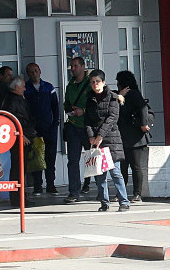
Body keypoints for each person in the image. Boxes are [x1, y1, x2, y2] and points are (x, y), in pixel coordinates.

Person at [83, 69, 130, 212]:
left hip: (111, 140)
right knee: (99, 173)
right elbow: (87, 120)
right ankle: (104, 202)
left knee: (115, 172)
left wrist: (100, 135)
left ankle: (124, 201)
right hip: (96, 141)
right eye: (92, 82)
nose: (95, 84)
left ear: (103, 82)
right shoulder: (89, 99)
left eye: (98, 81)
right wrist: (91, 136)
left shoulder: (113, 97)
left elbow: (112, 118)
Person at [0, 76, 37, 207]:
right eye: (23, 86)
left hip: (25, 136)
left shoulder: (18, 99)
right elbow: (10, 120)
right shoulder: (11, 100)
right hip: (20, 138)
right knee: (18, 168)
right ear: (16, 87)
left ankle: (20, 196)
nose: (24, 89)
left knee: (21, 167)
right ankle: (17, 198)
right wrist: (20, 135)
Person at [25, 63, 61, 196]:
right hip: (34, 130)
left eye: (36, 71)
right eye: (31, 72)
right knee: (36, 157)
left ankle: (51, 184)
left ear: (40, 71)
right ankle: (37, 186)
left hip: (49, 128)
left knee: (50, 157)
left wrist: (55, 124)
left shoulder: (49, 87)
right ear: (28, 74)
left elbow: (55, 107)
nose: (34, 74)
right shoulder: (26, 89)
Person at [116, 70, 151, 202]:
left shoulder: (133, 94)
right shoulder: (121, 95)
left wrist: (144, 124)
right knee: (126, 167)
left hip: (135, 137)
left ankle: (136, 193)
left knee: (134, 167)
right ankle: (126, 193)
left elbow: (143, 108)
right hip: (127, 136)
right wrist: (119, 96)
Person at [62, 57, 91, 203]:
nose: (72, 69)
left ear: (83, 66)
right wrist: (70, 110)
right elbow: (66, 103)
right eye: (71, 66)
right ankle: (74, 192)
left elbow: (96, 105)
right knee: (73, 160)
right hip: (73, 125)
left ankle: (99, 190)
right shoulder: (70, 85)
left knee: (93, 157)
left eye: (75, 66)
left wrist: (83, 111)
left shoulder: (90, 83)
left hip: (88, 126)